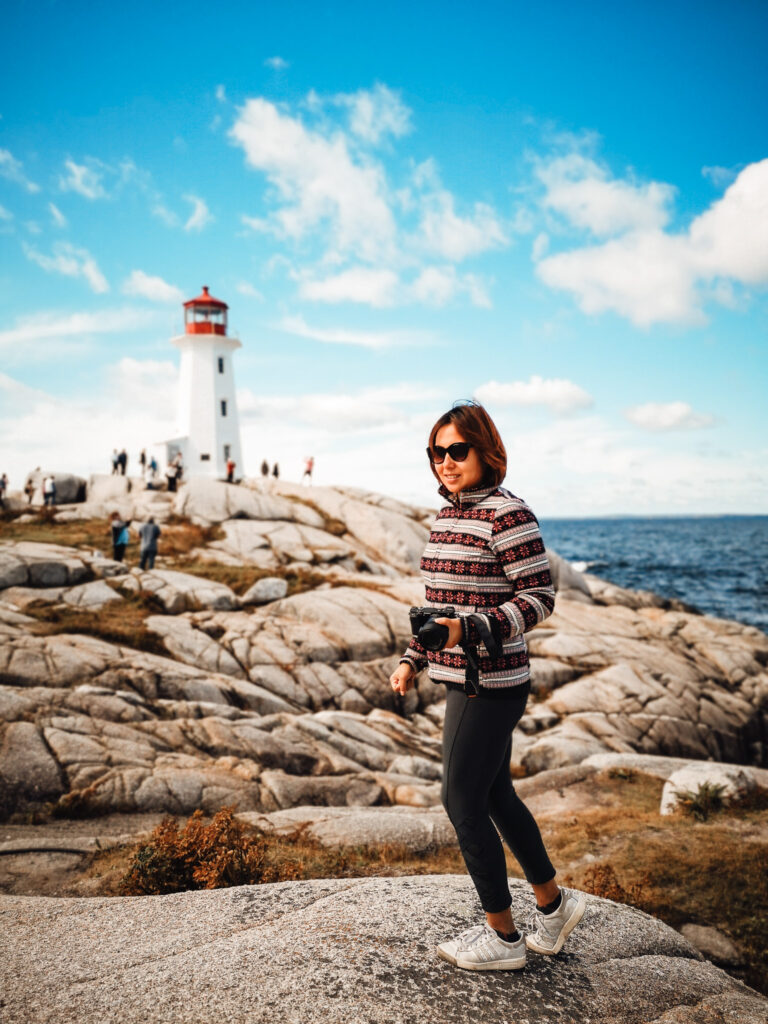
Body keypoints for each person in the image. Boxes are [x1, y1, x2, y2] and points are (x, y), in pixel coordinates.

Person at [390, 400, 585, 972]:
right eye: (436, 452)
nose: (445, 463)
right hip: (461, 679)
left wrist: (470, 629)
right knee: (495, 795)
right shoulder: (448, 516)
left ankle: (502, 938)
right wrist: (414, 657)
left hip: (493, 683)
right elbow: (437, 609)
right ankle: (553, 906)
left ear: (485, 451)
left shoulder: (508, 514)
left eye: (457, 451)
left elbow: (539, 599)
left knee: (460, 800)